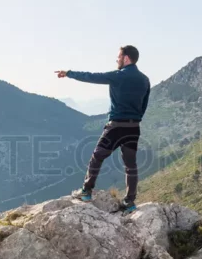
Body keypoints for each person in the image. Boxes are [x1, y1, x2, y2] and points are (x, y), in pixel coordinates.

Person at [55, 45, 150, 212]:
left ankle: (86, 191)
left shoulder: (117, 76)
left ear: (126, 58)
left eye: (119, 57)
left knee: (97, 156)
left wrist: (69, 73)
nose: (117, 59)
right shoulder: (144, 79)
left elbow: (91, 77)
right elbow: (143, 105)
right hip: (133, 127)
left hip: (116, 126)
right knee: (130, 165)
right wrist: (135, 119)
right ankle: (130, 202)